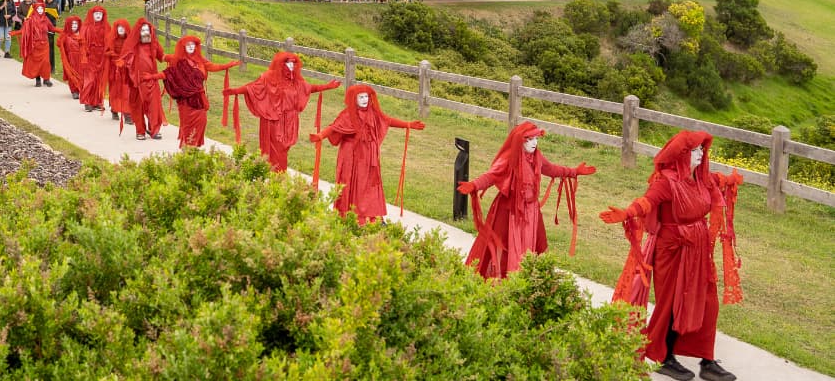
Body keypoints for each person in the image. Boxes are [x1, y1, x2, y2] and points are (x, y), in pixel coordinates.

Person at [600, 131, 742, 381]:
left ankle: (707, 362)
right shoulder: (666, 182)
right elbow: (647, 202)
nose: (702, 154)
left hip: (697, 249)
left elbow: (717, 180)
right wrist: (626, 213)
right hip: (672, 249)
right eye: (696, 150)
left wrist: (731, 179)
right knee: (672, 304)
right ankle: (664, 357)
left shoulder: (701, 179)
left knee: (708, 302)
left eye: (702, 149)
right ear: (683, 155)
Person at [456, 121, 596, 279]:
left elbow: (551, 169)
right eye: (528, 139)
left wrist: (574, 171)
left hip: (531, 211)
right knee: (503, 246)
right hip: (509, 211)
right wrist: (474, 184)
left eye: (536, 138)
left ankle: (532, 280)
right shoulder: (510, 158)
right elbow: (491, 176)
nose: (534, 143)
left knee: (535, 245)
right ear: (519, 141)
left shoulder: (536, 157)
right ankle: (501, 279)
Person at [309, 85, 425, 225]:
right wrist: (320, 135)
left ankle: (373, 218)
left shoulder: (373, 113)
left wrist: (407, 124)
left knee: (370, 184)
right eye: (361, 97)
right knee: (352, 183)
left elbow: (387, 120)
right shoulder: (348, 114)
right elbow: (334, 127)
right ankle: (352, 217)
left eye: (366, 96)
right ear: (354, 99)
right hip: (351, 156)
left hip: (369, 156)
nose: (365, 100)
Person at [223, 52, 340, 172]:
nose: (292, 66)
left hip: (290, 121)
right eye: (288, 63)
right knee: (277, 150)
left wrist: (327, 86)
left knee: (284, 150)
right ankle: (278, 176)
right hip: (274, 121)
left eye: (294, 63)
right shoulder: (269, 77)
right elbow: (252, 87)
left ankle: (276, 175)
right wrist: (235, 90)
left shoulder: (295, 80)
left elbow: (309, 88)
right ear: (281, 64)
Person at [161, 35, 238, 147]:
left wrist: (226, 65)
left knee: (202, 121)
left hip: (199, 99)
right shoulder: (178, 59)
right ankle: (186, 148)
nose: (191, 47)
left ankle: (194, 146)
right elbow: (164, 57)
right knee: (187, 124)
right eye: (188, 45)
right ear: (183, 47)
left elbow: (213, 66)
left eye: (193, 44)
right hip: (185, 100)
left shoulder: (201, 60)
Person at [119, 18, 167, 140]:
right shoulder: (132, 45)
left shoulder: (154, 44)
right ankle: (140, 130)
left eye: (147, 30)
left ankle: (154, 129)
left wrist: (177, 57)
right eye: (143, 30)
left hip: (152, 81)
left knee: (154, 106)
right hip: (137, 83)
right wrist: (122, 64)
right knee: (138, 107)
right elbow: (124, 59)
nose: (146, 33)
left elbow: (162, 57)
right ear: (138, 32)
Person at [10, 2, 59, 87]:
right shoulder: (30, 20)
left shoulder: (46, 19)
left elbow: (52, 28)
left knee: (46, 63)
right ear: (35, 10)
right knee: (36, 63)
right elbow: (24, 30)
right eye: (38, 9)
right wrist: (14, 33)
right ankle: (38, 79)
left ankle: (46, 79)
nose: (40, 10)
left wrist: (64, 30)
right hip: (35, 45)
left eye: (41, 9)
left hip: (44, 45)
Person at [79, 5, 112, 111]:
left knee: (100, 80)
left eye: (100, 14)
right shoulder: (86, 27)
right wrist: (85, 53)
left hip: (101, 56)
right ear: (92, 15)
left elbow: (110, 41)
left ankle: (97, 101)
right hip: (90, 56)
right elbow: (82, 42)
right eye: (96, 14)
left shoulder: (106, 27)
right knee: (90, 79)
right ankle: (87, 101)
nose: (98, 16)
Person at [105, 18, 133, 123]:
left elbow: (133, 53)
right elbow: (106, 52)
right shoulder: (111, 39)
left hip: (126, 69)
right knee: (114, 90)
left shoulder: (130, 41)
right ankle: (114, 109)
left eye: (123, 27)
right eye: (119, 27)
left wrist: (125, 61)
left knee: (126, 91)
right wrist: (112, 55)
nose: (121, 29)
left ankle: (127, 114)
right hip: (114, 69)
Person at [56, 15, 83, 99]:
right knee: (72, 74)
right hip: (70, 58)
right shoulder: (65, 35)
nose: (74, 25)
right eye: (72, 24)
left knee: (82, 74)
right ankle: (74, 90)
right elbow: (59, 44)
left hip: (81, 58)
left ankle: (81, 89)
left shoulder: (82, 33)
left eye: (76, 23)